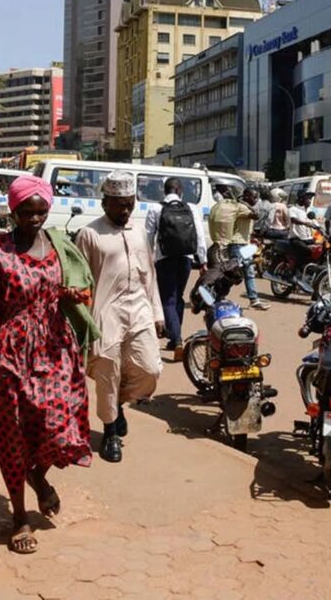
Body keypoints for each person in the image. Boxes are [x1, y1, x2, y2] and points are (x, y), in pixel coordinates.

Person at [0, 175, 92, 553]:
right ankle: (19, 516)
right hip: (8, 356)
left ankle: (38, 474)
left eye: (41, 212)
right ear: (13, 211)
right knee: (11, 437)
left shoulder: (56, 245)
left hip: (54, 350)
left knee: (58, 426)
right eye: (27, 213)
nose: (35, 219)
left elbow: (64, 286)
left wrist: (68, 294)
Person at [75, 172, 161, 464]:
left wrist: (158, 313)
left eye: (129, 204)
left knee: (150, 369)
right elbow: (80, 282)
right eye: (119, 205)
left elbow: (150, 273)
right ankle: (110, 430)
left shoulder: (139, 232)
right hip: (106, 311)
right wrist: (81, 323)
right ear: (105, 203)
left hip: (139, 308)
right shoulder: (89, 234)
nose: (125, 211)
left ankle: (120, 403)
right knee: (107, 372)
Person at [145, 177, 207, 359]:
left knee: (168, 300)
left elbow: (148, 237)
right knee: (178, 297)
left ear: (165, 191)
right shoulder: (191, 208)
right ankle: (174, 338)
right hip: (185, 260)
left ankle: (177, 339)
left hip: (164, 259)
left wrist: (147, 260)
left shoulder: (156, 209)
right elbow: (200, 237)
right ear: (180, 191)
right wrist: (202, 261)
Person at [208, 186, 267, 311]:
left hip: (243, 244)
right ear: (246, 196)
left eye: (257, 197)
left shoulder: (239, 206)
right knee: (233, 273)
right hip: (237, 244)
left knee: (247, 272)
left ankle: (253, 299)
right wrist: (245, 203)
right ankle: (215, 295)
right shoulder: (241, 207)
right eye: (254, 196)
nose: (256, 199)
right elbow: (257, 215)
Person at [285, 191, 321, 273]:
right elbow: (293, 220)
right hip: (296, 239)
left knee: (320, 250)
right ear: (301, 199)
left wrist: (321, 229)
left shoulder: (309, 211)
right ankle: (294, 274)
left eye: (310, 199)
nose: (309, 201)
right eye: (307, 198)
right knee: (306, 250)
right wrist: (306, 223)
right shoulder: (293, 209)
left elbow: (315, 223)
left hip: (308, 239)